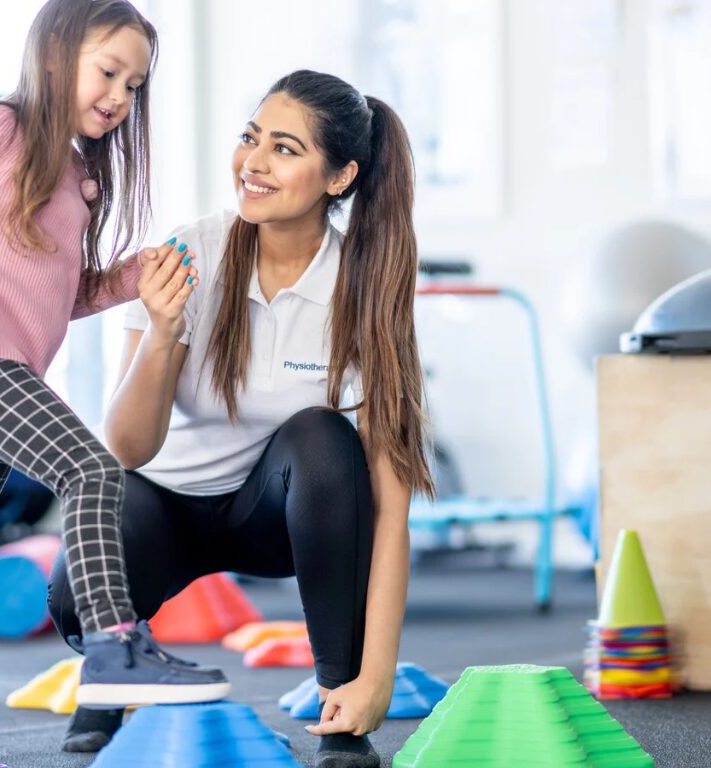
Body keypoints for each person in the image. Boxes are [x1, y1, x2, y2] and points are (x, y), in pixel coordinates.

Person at [0, 0, 226, 740]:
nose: (120, 97)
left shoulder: (78, 177)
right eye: (108, 72)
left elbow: (63, 293)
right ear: (56, 55)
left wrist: (124, 278)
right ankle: (115, 646)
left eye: (134, 86)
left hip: (7, 373)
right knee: (92, 471)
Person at [49, 70, 433, 768]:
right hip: (160, 507)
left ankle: (339, 704)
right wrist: (163, 333)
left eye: (284, 149)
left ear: (339, 177)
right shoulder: (190, 252)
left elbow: (392, 507)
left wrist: (376, 677)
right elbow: (127, 448)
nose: (253, 163)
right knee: (73, 588)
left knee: (324, 440)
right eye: (250, 138)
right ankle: (109, 671)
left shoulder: (364, 288)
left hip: (273, 520)